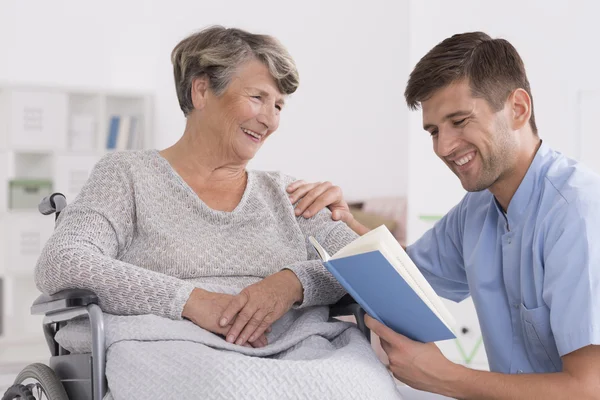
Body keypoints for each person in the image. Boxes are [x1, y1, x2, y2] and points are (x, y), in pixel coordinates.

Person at [35, 26, 401, 399]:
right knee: (225, 389)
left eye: (278, 106)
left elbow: (371, 272)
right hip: (168, 341)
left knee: (362, 386)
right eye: (258, 97)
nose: (270, 120)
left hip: (299, 345)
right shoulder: (128, 175)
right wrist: (193, 301)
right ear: (202, 90)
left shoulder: (289, 193)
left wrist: (293, 282)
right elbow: (62, 261)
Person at [288, 31, 600, 399]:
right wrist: (343, 219)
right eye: (434, 130)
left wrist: (444, 377)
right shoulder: (478, 209)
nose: (444, 147)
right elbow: (405, 277)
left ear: (518, 108)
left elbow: (588, 388)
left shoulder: (579, 213)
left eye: (460, 120)